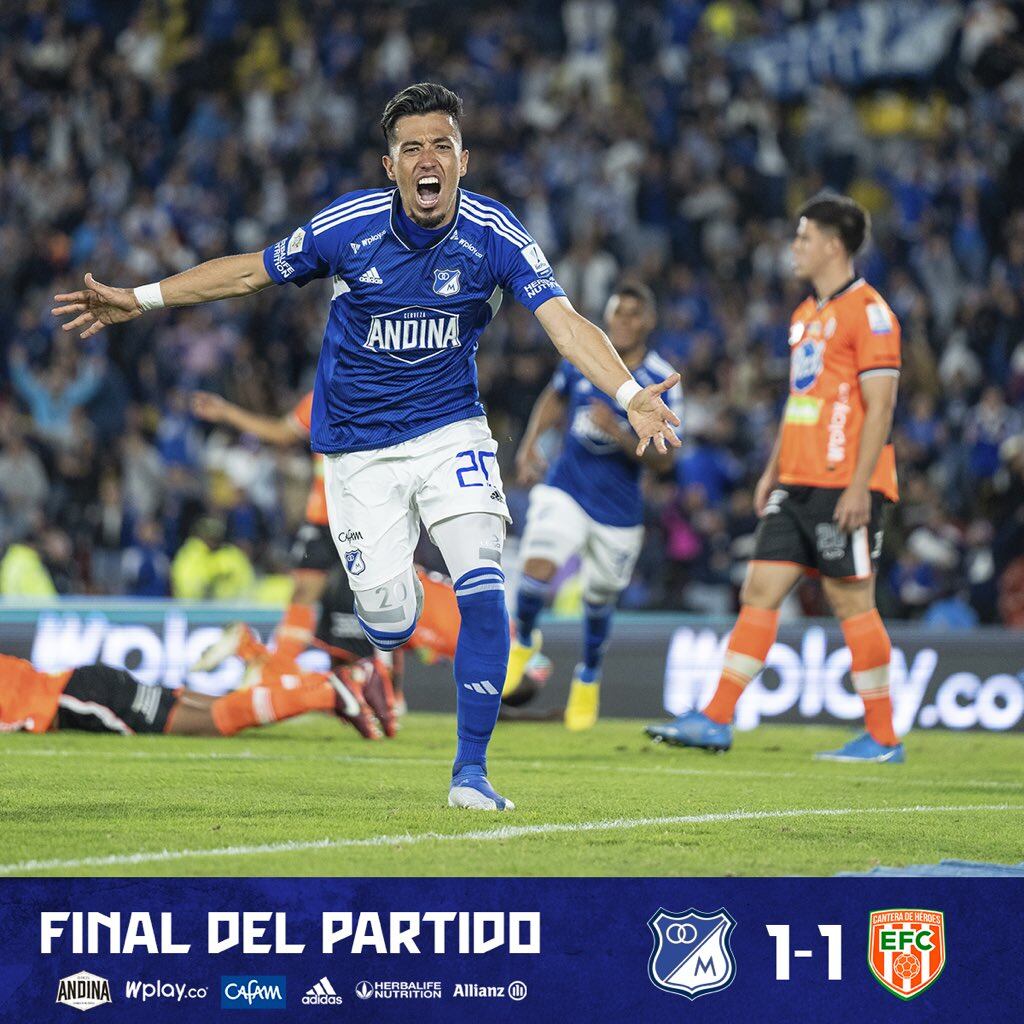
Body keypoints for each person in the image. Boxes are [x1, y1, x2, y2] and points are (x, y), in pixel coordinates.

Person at [52, 82, 681, 811]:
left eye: (441, 145)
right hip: (358, 451)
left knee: (486, 591)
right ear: (390, 166)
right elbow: (251, 271)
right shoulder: (348, 227)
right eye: (411, 148)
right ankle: (408, 596)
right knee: (387, 620)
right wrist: (141, 298)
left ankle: (470, 775)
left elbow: (565, 323)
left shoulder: (496, 234)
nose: (427, 159)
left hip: (450, 430)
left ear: (463, 160)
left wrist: (629, 393)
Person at [647, 193, 905, 764]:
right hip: (797, 480)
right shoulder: (804, 315)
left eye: (804, 237)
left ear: (833, 246)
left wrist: (860, 485)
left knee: (851, 602)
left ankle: (884, 739)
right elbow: (800, 399)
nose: (795, 247)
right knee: (759, 590)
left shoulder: (871, 313)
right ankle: (715, 719)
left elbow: (881, 406)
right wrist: (773, 469)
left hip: (846, 483)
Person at [507, 281, 682, 730]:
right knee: (536, 567)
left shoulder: (661, 378)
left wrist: (619, 432)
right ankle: (523, 641)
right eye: (617, 312)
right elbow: (555, 395)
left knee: (599, 600)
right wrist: (530, 442)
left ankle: (588, 675)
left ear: (648, 321)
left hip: (618, 509)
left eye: (633, 314)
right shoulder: (587, 353)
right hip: (567, 488)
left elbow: (666, 462)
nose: (623, 321)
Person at [0, 650, 379, 740]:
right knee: (218, 707)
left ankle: (327, 695)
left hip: (80, 697)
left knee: (212, 722)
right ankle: (328, 684)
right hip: (85, 681)